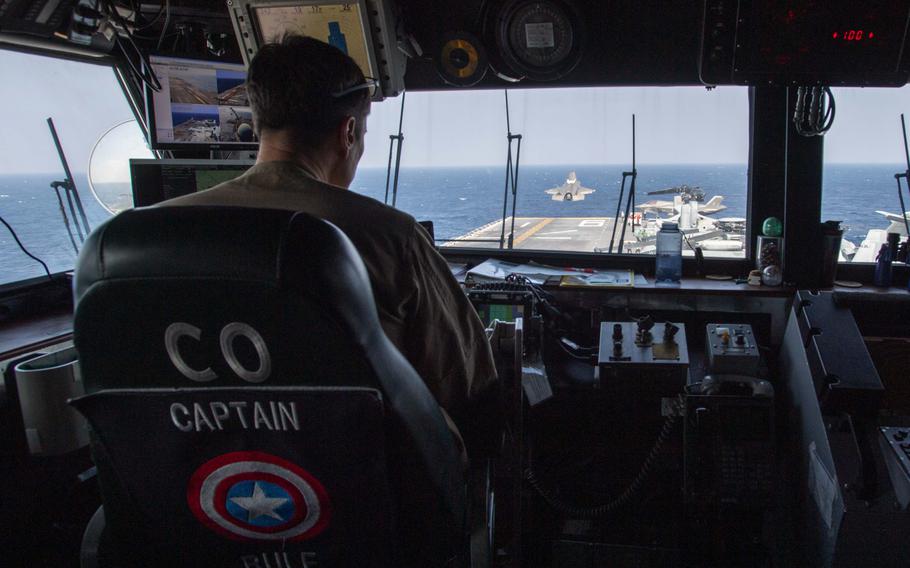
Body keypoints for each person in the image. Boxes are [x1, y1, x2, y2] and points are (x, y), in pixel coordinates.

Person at [161, 35, 497, 457]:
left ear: (260, 123)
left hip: (201, 496)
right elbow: (468, 385)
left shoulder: (147, 235)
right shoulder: (390, 237)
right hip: (366, 504)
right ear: (349, 132)